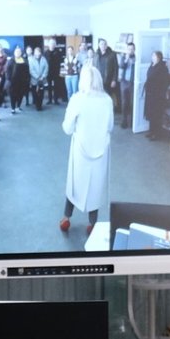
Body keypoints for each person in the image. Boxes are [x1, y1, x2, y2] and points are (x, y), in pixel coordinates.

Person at [59, 48, 113, 232]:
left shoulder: (77, 99)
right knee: (95, 186)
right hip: (101, 149)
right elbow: (110, 126)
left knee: (75, 183)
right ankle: (93, 224)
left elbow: (67, 128)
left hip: (81, 150)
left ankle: (66, 218)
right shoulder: (107, 100)